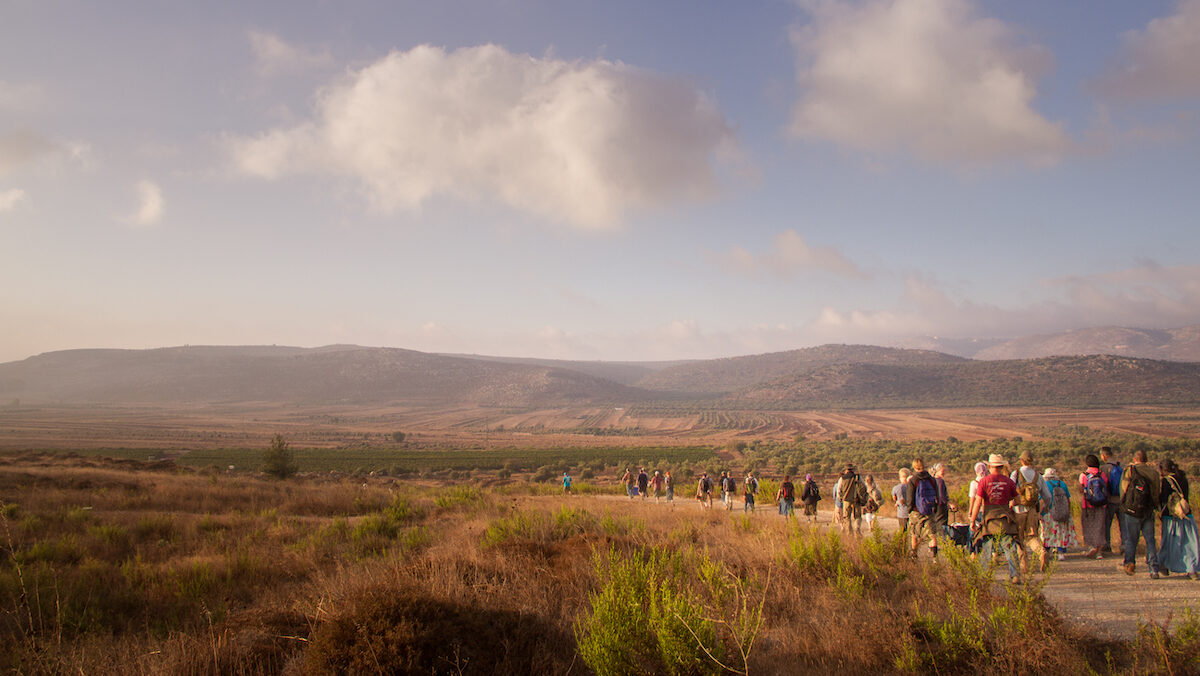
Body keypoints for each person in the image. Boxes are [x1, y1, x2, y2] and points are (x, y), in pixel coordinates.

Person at [968, 454, 1021, 584]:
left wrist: (972, 520)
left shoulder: (984, 482)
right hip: (1005, 519)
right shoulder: (1009, 481)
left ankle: (983, 576)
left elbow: (978, 502)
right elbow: (1018, 499)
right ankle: (1015, 575)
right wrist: (1010, 503)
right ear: (1002, 466)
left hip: (989, 519)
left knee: (987, 548)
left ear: (990, 466)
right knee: (1009, 548)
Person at [1119, 449, 1162, 578]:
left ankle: (1130, 565)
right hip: (1147, 510)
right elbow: (1155, 492)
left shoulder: (1130, 471)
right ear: (1146, 459)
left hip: (1132, 511)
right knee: (1150, 540)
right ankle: (1153, 568)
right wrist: (1154, 505)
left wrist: (1124, 505)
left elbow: (1123, 489)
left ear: (1135, 459)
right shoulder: (1153, 473)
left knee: (1131, 540)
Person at [1156, 459, 1199, 580]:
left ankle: (1163, 564)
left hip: (1171, 516)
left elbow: (1164, 499)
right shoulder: (1183, 478)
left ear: (1163, 470)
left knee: (1169, 543)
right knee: (1189, 543)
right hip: (1186, 515)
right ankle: (1192, 569)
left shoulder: (1166, 481)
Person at [1010, 451, 1048, 573]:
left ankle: (1024, 566)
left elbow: (1011, 490)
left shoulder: (1016, 474)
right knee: (1032, 537)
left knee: (1019, 538)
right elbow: (1047, 496)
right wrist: (1044, 509)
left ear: (1022, 460)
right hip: (1033, 510)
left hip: (1019, 510)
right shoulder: (1038, 476)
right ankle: (1041, 552)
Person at [906, 458, 942, 561]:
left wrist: (909, 510)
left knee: (914, 534)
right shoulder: (931, 479)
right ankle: (935, 558)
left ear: (914, 467)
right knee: (932, 534)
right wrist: (935, 507)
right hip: (930, 509)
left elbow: (910, 498)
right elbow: (937, 495)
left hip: (916, 511)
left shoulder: (913, 480)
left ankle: (914, 556)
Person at [1040, 468, 1079, 561]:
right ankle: (1061, 552)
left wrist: (1040, 512)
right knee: (1062, 533)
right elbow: (1068, 498)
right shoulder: (1062, 484)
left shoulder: (1045, 485)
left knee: (1047, 533)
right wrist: (1068, 511)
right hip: (1062, 512)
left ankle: (1046, 551)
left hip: (1049, 513)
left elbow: (1042, 500)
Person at [1079, 454, 1109, 559]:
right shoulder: (1102, 474)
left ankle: (1092, 546)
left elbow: (1081, 489)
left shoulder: (1083, 475)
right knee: (1100, 526)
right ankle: (1099, 551)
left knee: (1089, 526)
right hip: (1101, 505)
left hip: (1087, 504)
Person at [1100, 447, 1124, 553]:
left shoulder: (1103, 468)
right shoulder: (1122, 466)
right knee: (1123, 525)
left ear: (1103, 456)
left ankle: (1107, 546)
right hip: (1122, 500)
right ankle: (1125, 546)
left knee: (1106, 524)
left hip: (1109, 500)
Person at [837, 463, 866, 535]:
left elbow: (839, 490)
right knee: (857, 517)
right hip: (856, 500)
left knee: (847, 517)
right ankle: (857, 529)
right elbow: (864, 487)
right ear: (852, 469)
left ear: (846, 470)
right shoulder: (858, 477)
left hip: (846, 500)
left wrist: (840, 498)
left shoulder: (842, 478)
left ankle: (849, 532)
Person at [933, 463, 952, 538]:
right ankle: (943, 541)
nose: (943, 473)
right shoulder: (940, 481)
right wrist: (948, 503)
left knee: (936, 523)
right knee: (942, 525)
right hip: (941, 506)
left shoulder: (932, 480)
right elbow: (941, 495)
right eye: (942, 471)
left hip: (935, 506)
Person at [893, 469, 912, 538]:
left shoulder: (896, 488)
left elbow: (894, 498)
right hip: (912, 512)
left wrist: (897, 502)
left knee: (903, 531)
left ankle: (903, 545)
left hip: (902, 513)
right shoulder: (912, 486)